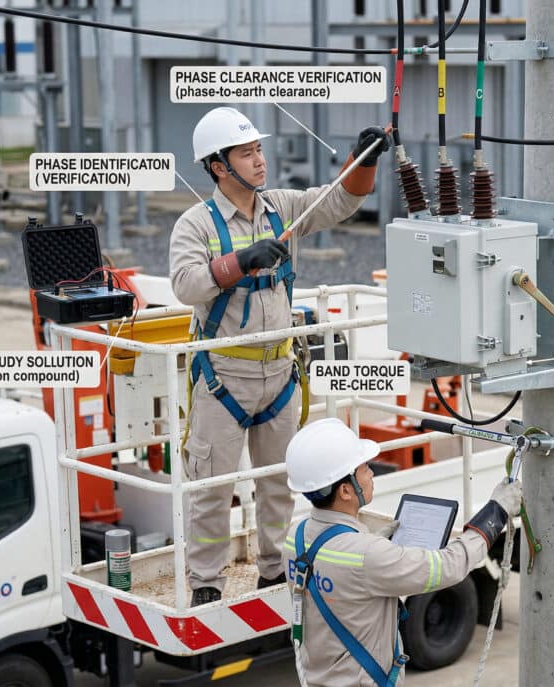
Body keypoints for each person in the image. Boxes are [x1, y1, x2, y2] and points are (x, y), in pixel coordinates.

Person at [170, 107, 390, 605]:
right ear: (218, 166)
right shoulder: (196, 224)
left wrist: (364, 160)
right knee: (211, 490)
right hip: (223, 375)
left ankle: (273, 571)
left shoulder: (280, 208)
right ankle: (207, 581)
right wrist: (240, 263)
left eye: (259, 150)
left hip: (279, 374)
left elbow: (333, 204)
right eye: (246, 154)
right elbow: (186, 285)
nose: (259, 160)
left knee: (277, 486)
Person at [283, 418, 523, 687]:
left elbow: (336, 572)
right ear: (346, 490)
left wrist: (373, 542)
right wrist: (497, 511)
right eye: (364, 468)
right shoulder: (368, 556)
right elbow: (448, 566)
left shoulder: (296, 536)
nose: (372, 473)